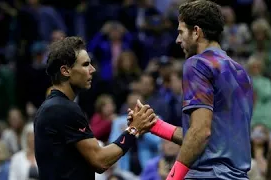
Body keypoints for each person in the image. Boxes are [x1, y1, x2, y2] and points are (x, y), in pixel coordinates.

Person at [129, 1, 253, 179]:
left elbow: (200, 133)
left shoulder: (197, 64)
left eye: (180, 32)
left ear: (196, 32)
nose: (177, 40)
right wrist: (156, 126)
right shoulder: (241, 73)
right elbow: (209, 141)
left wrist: (173, 177)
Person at [34, 37, 156, 180]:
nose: (93, 69)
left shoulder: (51, 107)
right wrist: (133, 130)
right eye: (86, 64)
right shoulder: (63, 109)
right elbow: (100, 161)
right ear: (65, 71)